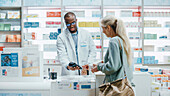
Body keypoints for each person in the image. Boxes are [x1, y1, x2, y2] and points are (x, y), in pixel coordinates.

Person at [91, 15, 135, 90]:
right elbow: (119, 62)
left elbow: (112, 67)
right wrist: (103, 63)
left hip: (117, 88)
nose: (103, 32)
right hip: (127, 87)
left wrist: (99, 67)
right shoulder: (123, 40)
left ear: (108, 27)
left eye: (103, 29)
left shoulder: (113, 41)